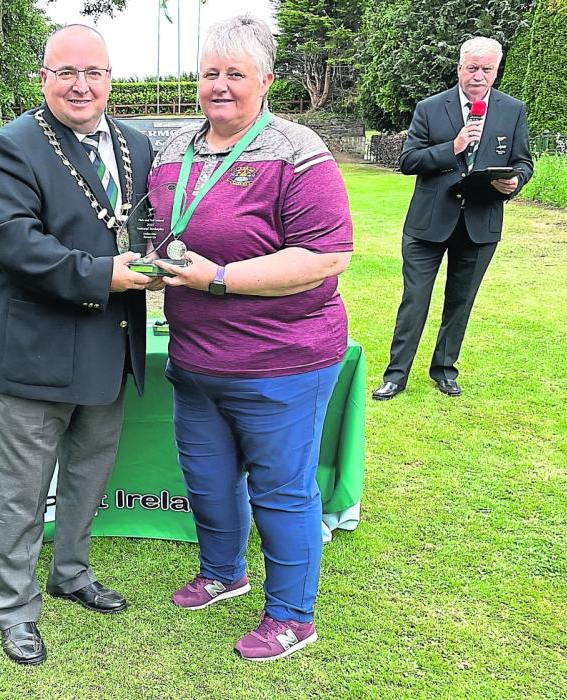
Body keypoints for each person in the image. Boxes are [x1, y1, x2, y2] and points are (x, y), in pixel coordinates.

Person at [146, 13, 353, 662]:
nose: (221, 86)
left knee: (282, 490)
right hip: (197, 360)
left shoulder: (298, 152)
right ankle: (223, 573)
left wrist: (220, 279)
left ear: (265, 80)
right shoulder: (175, 147)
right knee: (207, 478)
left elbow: (326, 256)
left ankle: (292, 616)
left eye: (236, 74)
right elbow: (159, 228)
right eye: (211, 73)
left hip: (281, 364)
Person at [0, 24, 156, 665]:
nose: (82, 85)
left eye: (95, 72)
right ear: (43, 76)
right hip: (34, 356)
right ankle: (14, 610)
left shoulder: (136, 142)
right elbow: (14, 243)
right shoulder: (8, 147)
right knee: (20, 493)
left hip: (110, 347)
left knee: (88, 477)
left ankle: (71, 572)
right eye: (67, 71)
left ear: (110, 78)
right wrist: (105, 274)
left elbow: (147, 228)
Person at [373, 36, 533, 401]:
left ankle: (444, 370)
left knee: (461, 301)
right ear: (459, 67)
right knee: (415, 300)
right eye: (472, 68)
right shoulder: (431, 108)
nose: (479, 76)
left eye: (486, 69)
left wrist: (516, 180)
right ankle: (396, 375)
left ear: (496, 70)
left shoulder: (512, 110)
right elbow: (408, 161)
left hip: (481, 223)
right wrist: (454, 147)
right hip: (428, 224)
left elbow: (524, 161)